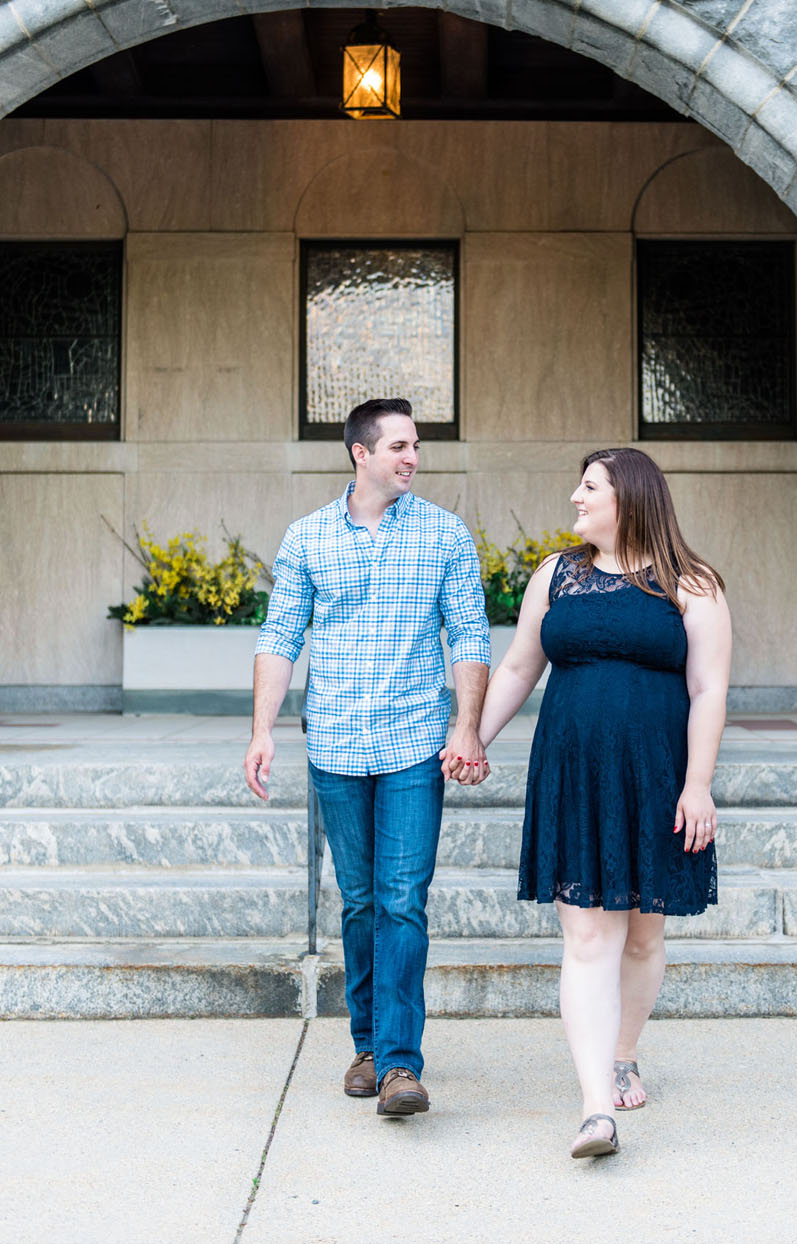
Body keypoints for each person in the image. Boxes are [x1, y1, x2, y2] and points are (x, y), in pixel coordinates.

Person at [477, 447, 731, 1158]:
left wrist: (698, 783)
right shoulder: (554, 575)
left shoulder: (693, 583)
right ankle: (595, 1109)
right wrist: (472, 738)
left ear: (630, 498)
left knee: (644, 935)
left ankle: (623, 1053)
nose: (573, 498)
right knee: (589, 938)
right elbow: (520, 665)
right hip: (573, 772)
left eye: (588, 487)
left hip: (656, 777)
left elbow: (709, 688)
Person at [244, 397, 490, 1118]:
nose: (413, 458)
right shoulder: (308, 538)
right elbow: (279, 635)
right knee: (358, 904)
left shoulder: (445, 535)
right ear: (360, 453)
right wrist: (262, 729)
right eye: (400, 447)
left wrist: (466, 727)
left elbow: (468, 637)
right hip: (336, 747)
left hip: (414, 743)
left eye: (416, 447)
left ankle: (400, 1067)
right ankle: (367, 1047)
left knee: (400, 902)